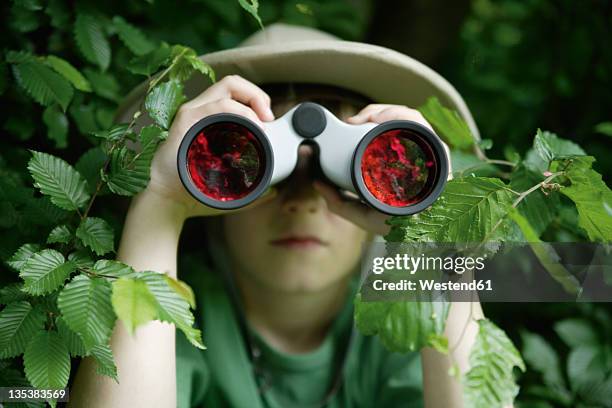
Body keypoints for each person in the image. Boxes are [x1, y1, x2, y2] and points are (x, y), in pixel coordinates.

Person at [68, 23, 484, 407]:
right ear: (212, 199)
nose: (304, 202)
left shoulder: (400, 324)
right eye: (248, 168)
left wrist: (433, 237)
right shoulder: (184, 318)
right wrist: (161, 201)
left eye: (340, 173)